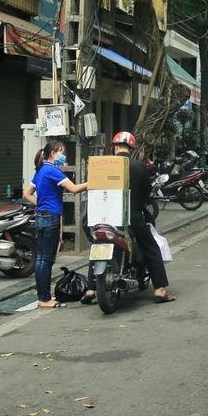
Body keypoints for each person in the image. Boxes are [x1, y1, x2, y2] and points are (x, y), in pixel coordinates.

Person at [82, 131, 174, 305]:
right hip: (131, 216)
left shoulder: (102, 165)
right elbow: (147, 192)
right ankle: (160, 289)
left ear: (115, 147)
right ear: (131, 148)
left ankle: (90, 288)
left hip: (102, 215)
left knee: (97, 245)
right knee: (151, 247)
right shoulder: (139, 167)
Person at [23, 140, 87, 309]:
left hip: (41, 217)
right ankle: (44, 299)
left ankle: (42, 297)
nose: (63, 155)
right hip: (51, 218)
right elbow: (73, 189)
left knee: (41, 259)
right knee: (46, 259)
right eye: (61, 152)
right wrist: (93, 182)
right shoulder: (52, 170)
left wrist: (40, 204)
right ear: (52, 153)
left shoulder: (41, 170)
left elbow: (26, 193)